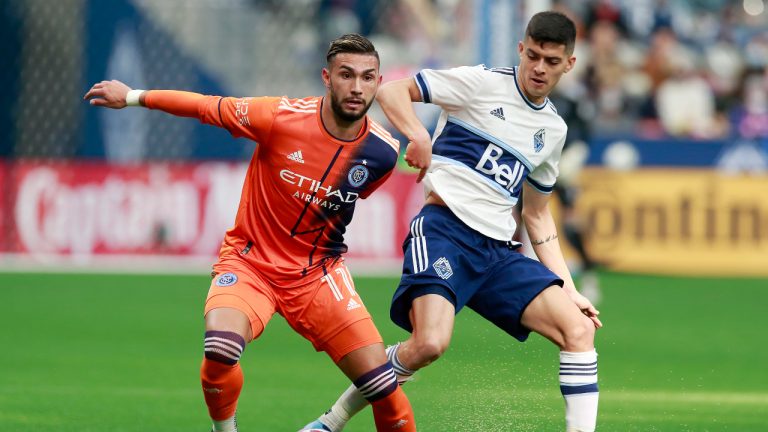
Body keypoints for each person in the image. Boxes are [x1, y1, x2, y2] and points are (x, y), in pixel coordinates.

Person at [84, 34, 416, 432]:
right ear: (327, 77)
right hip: (250, 263)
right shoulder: (279, 116)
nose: (357, 87)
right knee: (220, 350)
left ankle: (330, 421)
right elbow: (207, 107)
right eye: (347, 75)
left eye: (368, 77)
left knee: (384, 390)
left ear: (379, 82)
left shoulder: (382, 152)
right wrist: (135, 96)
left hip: (317, 275)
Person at [302, 11, 602, 432]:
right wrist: (419, 136)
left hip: (497, 253)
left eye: (551, 61)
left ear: (569, 63)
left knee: (579, 331)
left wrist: (568, 288)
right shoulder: (481, 83)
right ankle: (331, 422)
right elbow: (392, 92)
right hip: (445, 231)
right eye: (532, 55)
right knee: (428, 344)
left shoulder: (553, 130)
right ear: (521, 49)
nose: (538, 68)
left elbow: (535, 213)